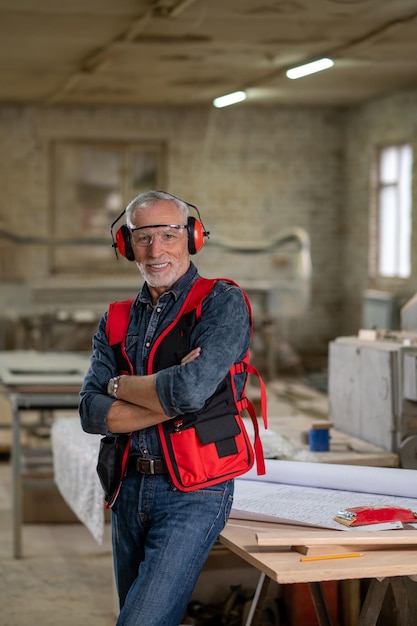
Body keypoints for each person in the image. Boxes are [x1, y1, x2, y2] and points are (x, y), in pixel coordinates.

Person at [79, 190, 255, 626]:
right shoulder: (116, 318)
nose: (155, 250)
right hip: (128, 486)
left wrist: (119, 387)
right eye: (143, 237)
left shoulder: (221, 302)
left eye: (168, 234)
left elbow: (192, 391)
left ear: (192, 237)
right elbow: (90, 411)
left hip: (195, 491)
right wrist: (166, 393)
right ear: (126, 244)